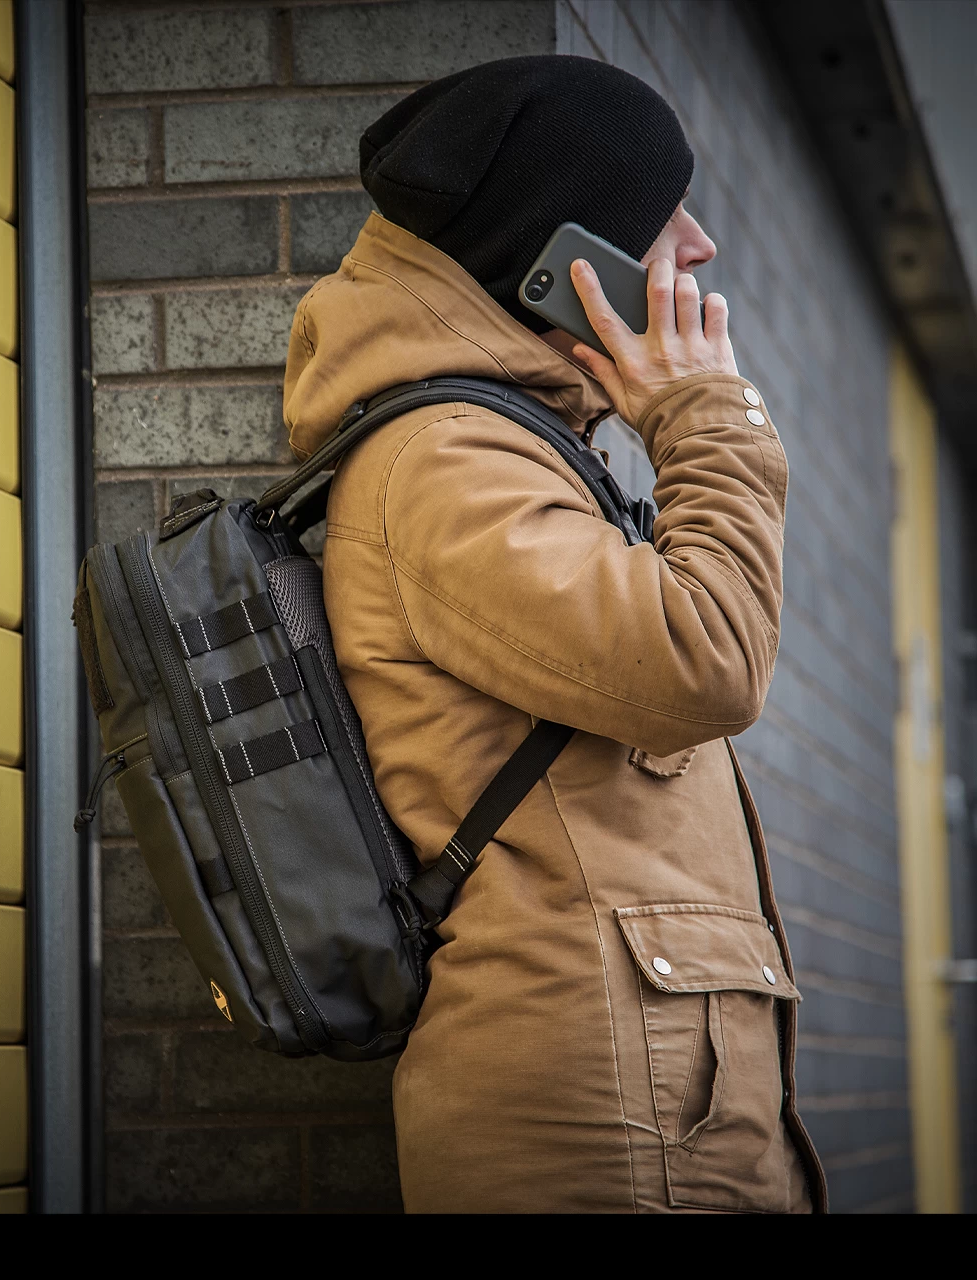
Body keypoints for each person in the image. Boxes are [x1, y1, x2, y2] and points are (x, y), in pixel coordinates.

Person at [282, 55, 827, 1214]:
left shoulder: (508, 445)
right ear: (559, 257)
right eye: (659, 213)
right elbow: (703, 660)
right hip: (600, 1127)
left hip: (644, 1101)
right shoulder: (443, 462)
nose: (696, 246)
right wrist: (702, 416)